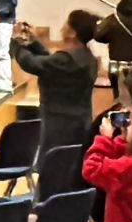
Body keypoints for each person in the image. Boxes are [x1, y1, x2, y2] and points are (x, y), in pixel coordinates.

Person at [10, 11, 100, 150]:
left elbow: (32, 63)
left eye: (66, 24)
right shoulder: (88, 58)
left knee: (53, 158)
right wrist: (34, 42)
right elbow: (50, 63)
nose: (62, 27)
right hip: (81, 120)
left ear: (72, 33)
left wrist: (17, 42)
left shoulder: (67, 59)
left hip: (59, 124)